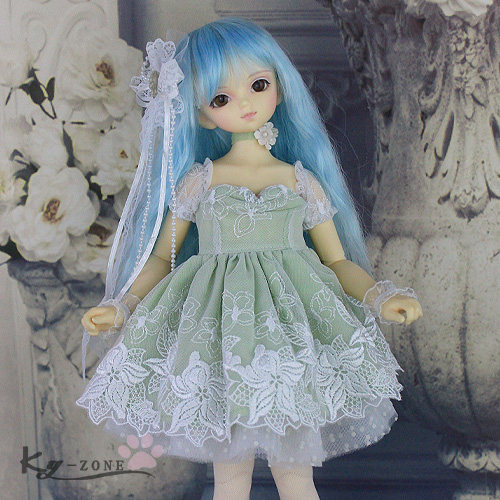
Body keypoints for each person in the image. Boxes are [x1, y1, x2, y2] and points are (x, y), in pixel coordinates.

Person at [76, 17, 423, 500]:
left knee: (296, 477)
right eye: (221, 98)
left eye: (258, 85)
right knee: (229, 479)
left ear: (279, 86)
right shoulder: (200, 181)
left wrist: (380, 296)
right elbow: (161, 259)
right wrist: (122, 305)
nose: (244, 103)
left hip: (290, 334)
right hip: (220, 335)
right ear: (202, 114)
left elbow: (338, 263)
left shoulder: (301, 180)